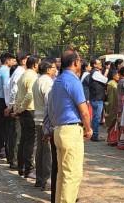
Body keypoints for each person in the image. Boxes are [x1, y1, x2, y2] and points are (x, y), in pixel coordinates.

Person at [46, 50, 92, 203]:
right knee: (72, 175)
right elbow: (84, 111)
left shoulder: (57, 81)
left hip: (59, 129)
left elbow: (51, 108)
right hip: (70, 130)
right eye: (79, 60)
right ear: (75, 63)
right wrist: (89, 128)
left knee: (62, 174)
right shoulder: (73, 81)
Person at [33, 59, 56, 191]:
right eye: (53, 67)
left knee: (41, 151)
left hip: (38, 119)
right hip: (44, 121)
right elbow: (49, 104)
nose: (55, 70)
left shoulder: (38, 80)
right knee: (47, 153)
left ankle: (39, 178)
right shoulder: (47, 82)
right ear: (48, 70)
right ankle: (46, 180)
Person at [15, 55, 40, 178]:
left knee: (24, 140)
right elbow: (30, 95)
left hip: (24, 111)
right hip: (29, 110)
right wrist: (21, 108)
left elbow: (18, 94)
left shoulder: (23, 75)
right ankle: (29, 168)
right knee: (30, 141)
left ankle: (22, 167)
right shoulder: (32, 76)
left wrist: (18, 108)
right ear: (35, 64)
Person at [5, 53, 27, 170]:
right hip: (17, 107)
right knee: (17, 135)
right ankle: (14, 160)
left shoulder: (18, 72)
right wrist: (12, 106)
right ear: (23, 61)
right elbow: (14, 91)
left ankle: (12, 158)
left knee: (14, 134)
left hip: (15, 105)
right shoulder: (20, 73)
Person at [83, 59, 108, 142]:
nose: (101, 64)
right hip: (97, 98)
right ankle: (95, 135)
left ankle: (94, 134)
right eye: (99, 63)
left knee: (95, 117)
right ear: (94, 65)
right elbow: (105, 80)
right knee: (96, 118)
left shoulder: (95, 72)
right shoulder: (95, 73)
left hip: (95, 98)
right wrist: (107, 71)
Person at [104, 70, 120, 146]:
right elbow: (111, 98)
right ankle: (110, 139)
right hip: (112, 106)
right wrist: (111, 108)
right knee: (112, 123)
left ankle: (111, 139)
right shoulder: (112, 84)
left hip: (114, 106)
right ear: (113, 75)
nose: (118, 76)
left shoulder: (114, 83)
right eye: (117, 75)